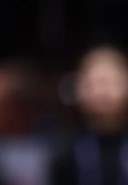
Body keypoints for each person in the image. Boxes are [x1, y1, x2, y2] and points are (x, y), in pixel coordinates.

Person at [51, 46, 128, 185]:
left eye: (110, 82)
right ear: (79, 90)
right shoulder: (65, 155)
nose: (102, 92)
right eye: (94, 84)